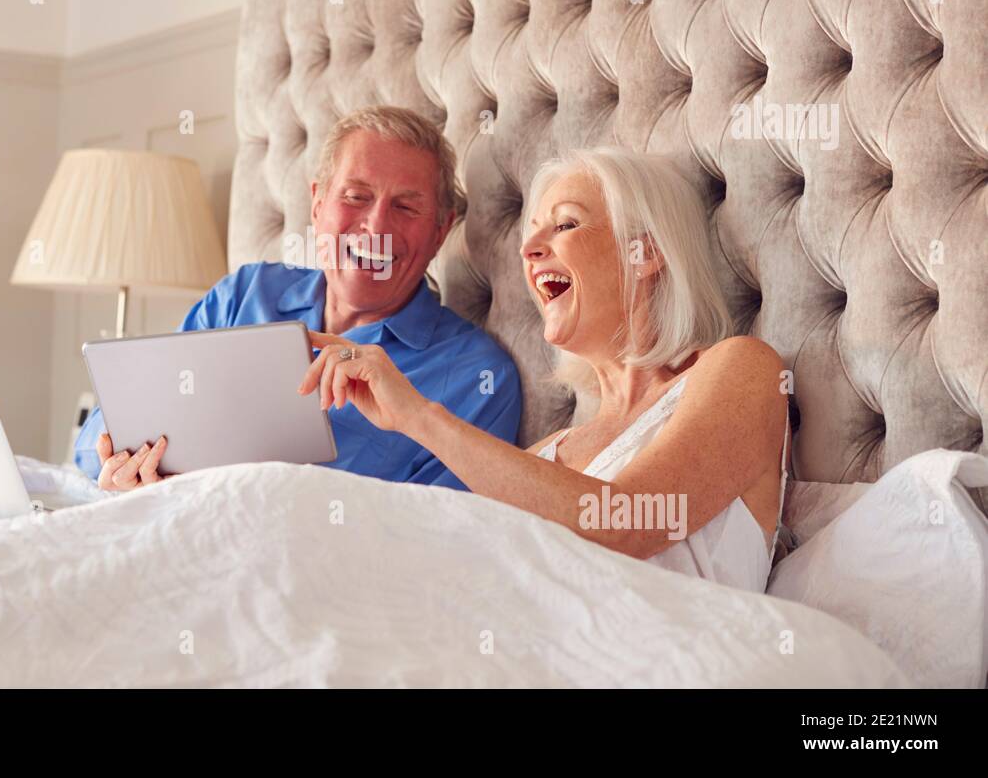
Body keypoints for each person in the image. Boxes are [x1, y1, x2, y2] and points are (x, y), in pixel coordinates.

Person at [298, 146, 790, 593]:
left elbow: (626, 522)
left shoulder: (740, 367)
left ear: (646, 253)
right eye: (531, 230)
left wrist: (419, 416)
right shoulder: (547, 455)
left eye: (566, 224)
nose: (528, 249)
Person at [82, 105, 521, 492]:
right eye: (356, 197)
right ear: (317, 204)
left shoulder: (477, 377)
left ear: (440, 231)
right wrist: (121, 463)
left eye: (406, 207)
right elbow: (100, 436)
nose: (376, 226)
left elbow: (444, 537)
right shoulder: (244, 295)